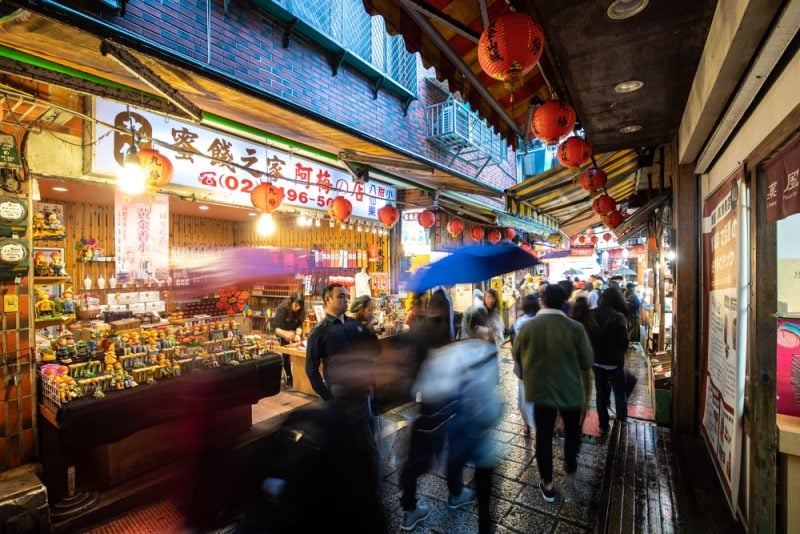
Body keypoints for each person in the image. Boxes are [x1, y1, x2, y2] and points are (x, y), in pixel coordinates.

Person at [513, 284, 593, 503]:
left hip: (541, 389)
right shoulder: (575, 328)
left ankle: (547, 484)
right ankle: (570, 463)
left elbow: (516, 353)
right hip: (570, 389)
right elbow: (587, 360)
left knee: (544, 436)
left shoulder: (529, 327)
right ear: (564, 302)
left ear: (543, 301)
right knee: (572, 429)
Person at [399, 290, 457, 531]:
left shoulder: (424, 330)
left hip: (429, 403)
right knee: (422, 458)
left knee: (423, 455)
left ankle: (409, 499)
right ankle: (409, 505)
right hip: (440, 404)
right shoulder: (444, 331)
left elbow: (411, 365)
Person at [305, 283, 359, 401]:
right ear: (328, 300)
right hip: (339, 390)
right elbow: (311, 369)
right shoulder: (319, 331)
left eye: (346, 296)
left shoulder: (353, 323)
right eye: (341, 297)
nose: (346, 300)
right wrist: (327, 397)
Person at [592, 288, 630, 436]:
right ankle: (621, 423)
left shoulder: (592, 314)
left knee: (600, 394)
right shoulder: (618, 316)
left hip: (597, 361)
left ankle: (603, 425)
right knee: (619, 393)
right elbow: (624, 341)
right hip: (614, 362)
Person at [512, 294, 539, 434]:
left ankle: (526, 426)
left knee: (523, 397)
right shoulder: (540, 321)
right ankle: (536, 427)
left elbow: (515, 348)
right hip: (538, 366)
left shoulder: (519, 322)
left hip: (523, 366)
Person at [271, 293, 305, 389]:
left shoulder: (301, 309)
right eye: (296, 305)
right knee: (285, 356)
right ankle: (289, 378)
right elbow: (276, 328)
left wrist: (298, 334)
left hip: (294, 333)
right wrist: (286, 335)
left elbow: (300, 324)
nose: (297, 308)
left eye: (300, 306)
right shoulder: (283, 309)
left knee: (299, 352)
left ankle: (300, 379)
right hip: (282, 331)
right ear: (291, 302)